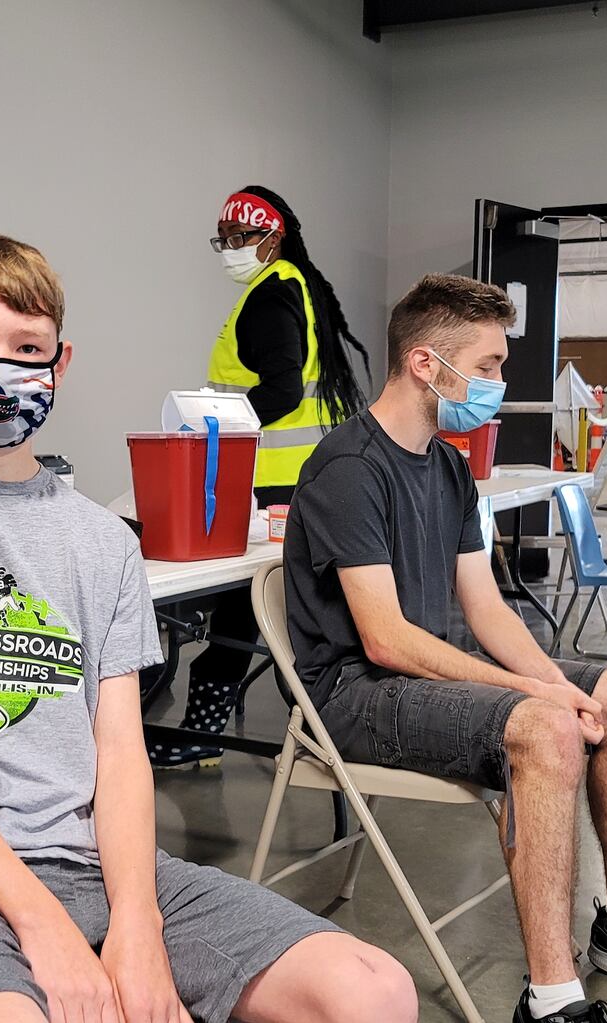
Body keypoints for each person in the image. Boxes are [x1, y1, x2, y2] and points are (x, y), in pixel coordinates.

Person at [0, 233, 417, 1023]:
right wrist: (46, 929)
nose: (0, 367)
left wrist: (137, 925)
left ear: (58, 363)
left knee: (374, 991)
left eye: (25, 348)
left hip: (101, 864)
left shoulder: (104, 542)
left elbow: (119, 750)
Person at [283, 273, 607, 1023]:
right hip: (353, 694)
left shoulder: (446, 464)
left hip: (422, 670)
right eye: (487, 367)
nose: (499, 384)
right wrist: (542, 700)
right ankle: (551, 997)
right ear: (424, 364)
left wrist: (553, 679)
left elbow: (484, 609)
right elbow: (385, 639)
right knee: (545, 730)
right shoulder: (349, 468)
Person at [152, 186, 370, 769]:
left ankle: (231, 735)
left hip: (276, 484)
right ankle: (306, 737)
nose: (230, 249)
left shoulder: (272, 298)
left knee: (254, 611)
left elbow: (278, 391)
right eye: (223, 240)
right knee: (260, 611)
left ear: (272, 238)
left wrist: (211, 425)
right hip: (297, 480)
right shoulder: (286, 286)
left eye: (241, 239)